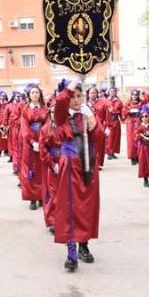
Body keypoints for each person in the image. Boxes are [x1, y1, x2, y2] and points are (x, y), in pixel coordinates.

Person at [53, 80, 102, 271]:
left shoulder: (88, 115)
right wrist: (72, 83)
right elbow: (60, 101)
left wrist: (94, 124)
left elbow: (99, 140)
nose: (76, 99)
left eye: (79, 96)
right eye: (73, 96)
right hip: (70, 166)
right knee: (70, 207)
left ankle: (84, 245)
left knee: (87, 207)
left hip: (88, 166)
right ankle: (71, 251)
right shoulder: (61, 116)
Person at [20, 85, 48, 210]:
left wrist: (42, 140)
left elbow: (48, 125)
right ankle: (32, 198)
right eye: (33, 92)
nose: (35, 94)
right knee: (30, 169)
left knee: (43, 169)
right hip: (29, 143)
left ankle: (42, 196)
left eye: (37, 92)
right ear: (29, 95)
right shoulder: (25, 110)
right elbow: (24, 127)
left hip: (43, 140)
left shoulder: (45, 109)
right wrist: (32, 141)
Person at [39, 100, 60, 233]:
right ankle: (53, 220)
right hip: (53, 164)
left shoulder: (69, 127)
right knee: (54, 193)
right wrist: (52, 164)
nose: (55, 114)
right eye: (52, 112)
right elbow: (43, 148)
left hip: (68, 162)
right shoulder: (46, 129)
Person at [86, 87, 108, 170]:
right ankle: (89, 163)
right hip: (88, 128)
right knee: (89, 146)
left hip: (100, 128)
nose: (92, 94)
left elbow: (107, 115)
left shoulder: (102, 103)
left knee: (99, 146)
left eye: (94, 93)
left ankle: (97, 163)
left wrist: (107, 127)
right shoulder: (85, 104)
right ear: (88, 94)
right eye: (91, 93)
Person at [123, 89, 142, 165]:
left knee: (138, 138)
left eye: (136, 95)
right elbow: (124, 113)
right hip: (130, 122)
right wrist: (130, 111)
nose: (134, 96)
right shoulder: (127, 103)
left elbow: (147, 98)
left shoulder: (140, 103)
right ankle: (132, 157)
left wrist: (143, 93)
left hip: (138, 121)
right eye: (133, 95)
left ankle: (138, 156)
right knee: (131, 140)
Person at [105, 87, 122, 160]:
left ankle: (113, 152)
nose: (112, 92)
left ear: (116, 92)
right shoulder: (105, 101)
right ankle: (109, 152)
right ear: (108, 92)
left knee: (115, 137)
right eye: (111, 91)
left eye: (113, 91)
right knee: (109, 137)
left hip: (115, 120)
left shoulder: (118, 101)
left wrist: (122, 118)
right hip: (108, 121)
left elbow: (121, 111)